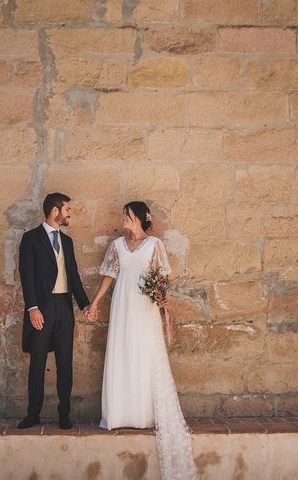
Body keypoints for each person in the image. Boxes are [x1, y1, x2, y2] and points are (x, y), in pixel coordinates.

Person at [87, 201, 197, 480]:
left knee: (143, 354)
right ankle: (119, 413)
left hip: (144, 308)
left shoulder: (155, 245)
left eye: (126, 215)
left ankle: (144, 414)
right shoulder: (117, 246)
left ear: (137, 217)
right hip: (122, 305)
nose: (122, 218)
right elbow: (110, 276)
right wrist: (95, 303)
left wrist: (160, 297)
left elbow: (162, 278)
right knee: (122, 353)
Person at [17, 193, 90, 430]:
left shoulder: (66, 242)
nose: (69, 214)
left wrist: (85, 304)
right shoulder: (31, 239)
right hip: (42, 309)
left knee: (65, 363)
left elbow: (74, 277)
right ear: (55, 211)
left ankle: (64, 414)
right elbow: (26, 277)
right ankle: (33, 413)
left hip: (64, 310)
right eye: (67, 209)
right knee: (37, 363)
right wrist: (33, 308)